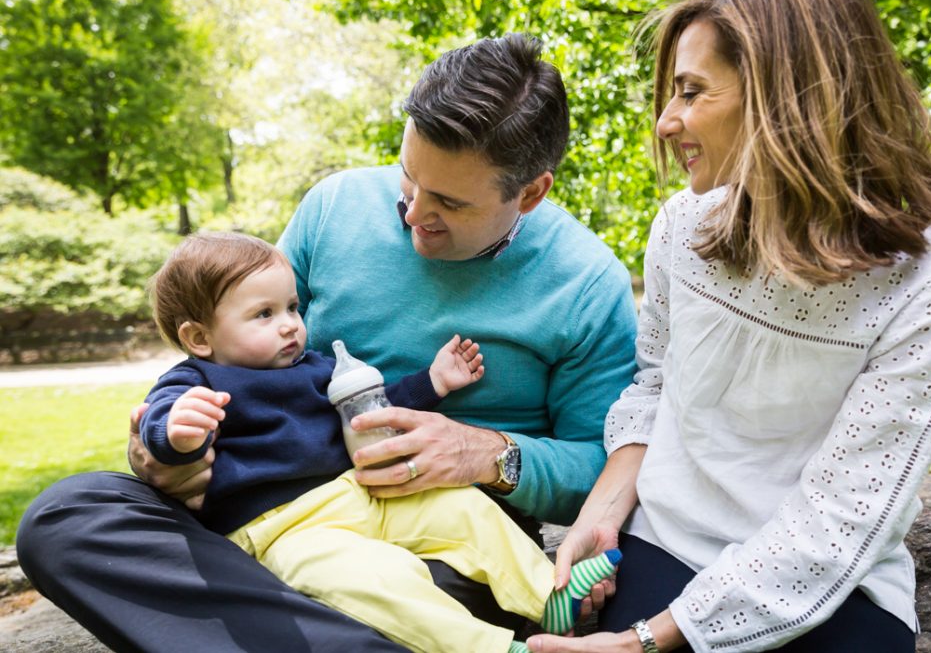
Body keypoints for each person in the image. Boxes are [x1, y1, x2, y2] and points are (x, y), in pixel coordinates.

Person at [16, 33, 639, 652]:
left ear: (530, 192)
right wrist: (168, 456)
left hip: (439, 526)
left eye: (449, 202)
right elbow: (236, 342)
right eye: (408, 176)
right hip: (276, 515)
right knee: (64, 517)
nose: (412, 212)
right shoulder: (333, 206)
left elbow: (599, 465)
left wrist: (489, 454)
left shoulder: (586, 282)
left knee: (399, 590)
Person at [525, 0, 931, 652]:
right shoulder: (683, 227)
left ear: (785, 98)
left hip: (839, 592)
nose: (666, 121)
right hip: (670, 548)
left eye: (690, 91)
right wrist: (604, 508)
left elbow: (838, 523)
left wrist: (642, 643)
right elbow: (654, 387)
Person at [137, 231, 620, 653]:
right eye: (263, 314)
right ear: (199, 337)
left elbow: (373, 404)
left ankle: (550, 596)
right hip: (285, 532)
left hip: (362, 494)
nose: (289, 324)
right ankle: (496, 647)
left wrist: (433, 383)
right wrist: (176, 434)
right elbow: (156, 425)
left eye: (291, 308)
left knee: (461, 509)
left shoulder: (310, 366)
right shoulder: (195, 380)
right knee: (380, 580)